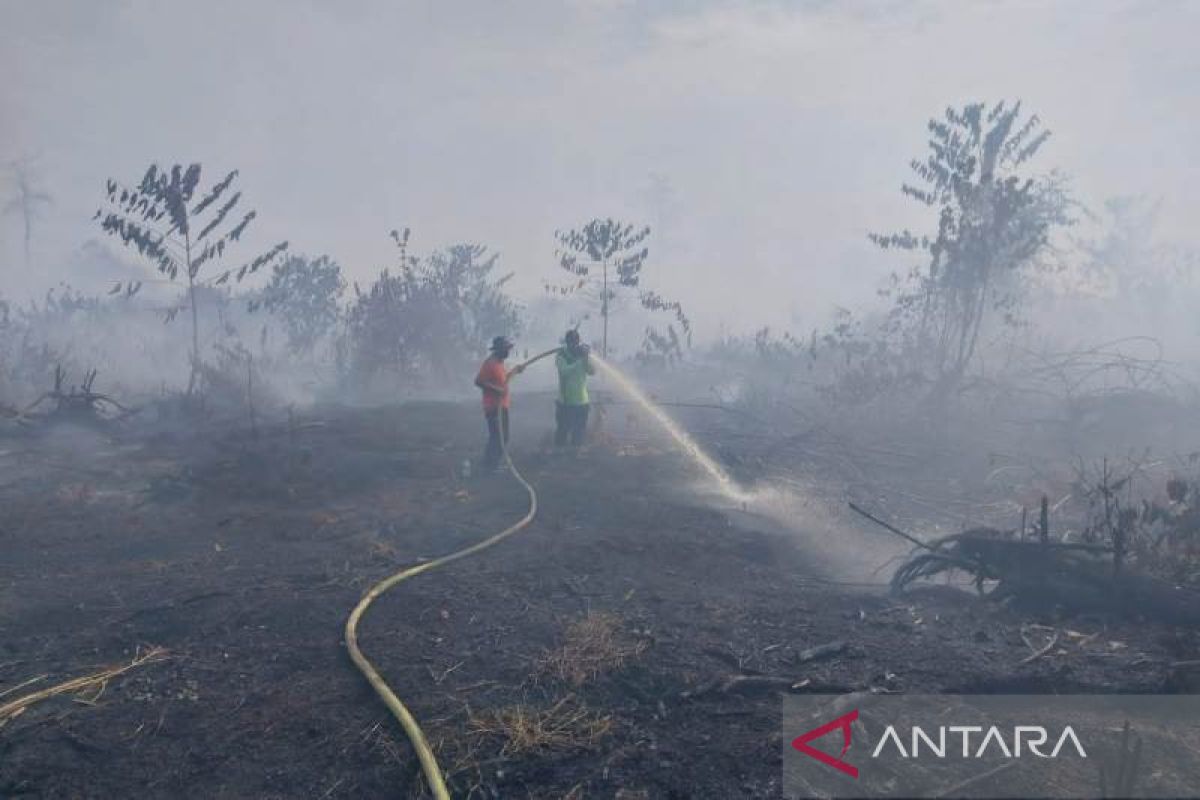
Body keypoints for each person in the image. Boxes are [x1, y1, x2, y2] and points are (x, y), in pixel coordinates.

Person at [475, 336, 522, 472]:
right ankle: (490, 466)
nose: (508, 352)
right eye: (506, 349)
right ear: (499, 350)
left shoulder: (500, 363)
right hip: (494, 407)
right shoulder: (490, 363)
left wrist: (515, 371)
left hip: (502, 405)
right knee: (499, 437)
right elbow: (478, 381)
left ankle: (489, 464)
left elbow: (504, 380)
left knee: (500, 436)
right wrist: (497, 390)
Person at [554, 329, 594, 449]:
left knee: (579, 432)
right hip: (565, 401)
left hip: (582, 402)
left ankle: (573, 459)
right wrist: (579, 361)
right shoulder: (562, 356)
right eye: (572, 342)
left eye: (576, 342)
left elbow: (592, 371)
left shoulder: (582, 356)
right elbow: (564, 371)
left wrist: (586, 358)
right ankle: (558, 458)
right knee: (563, 430)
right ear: (567, 343)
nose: (574, 345)